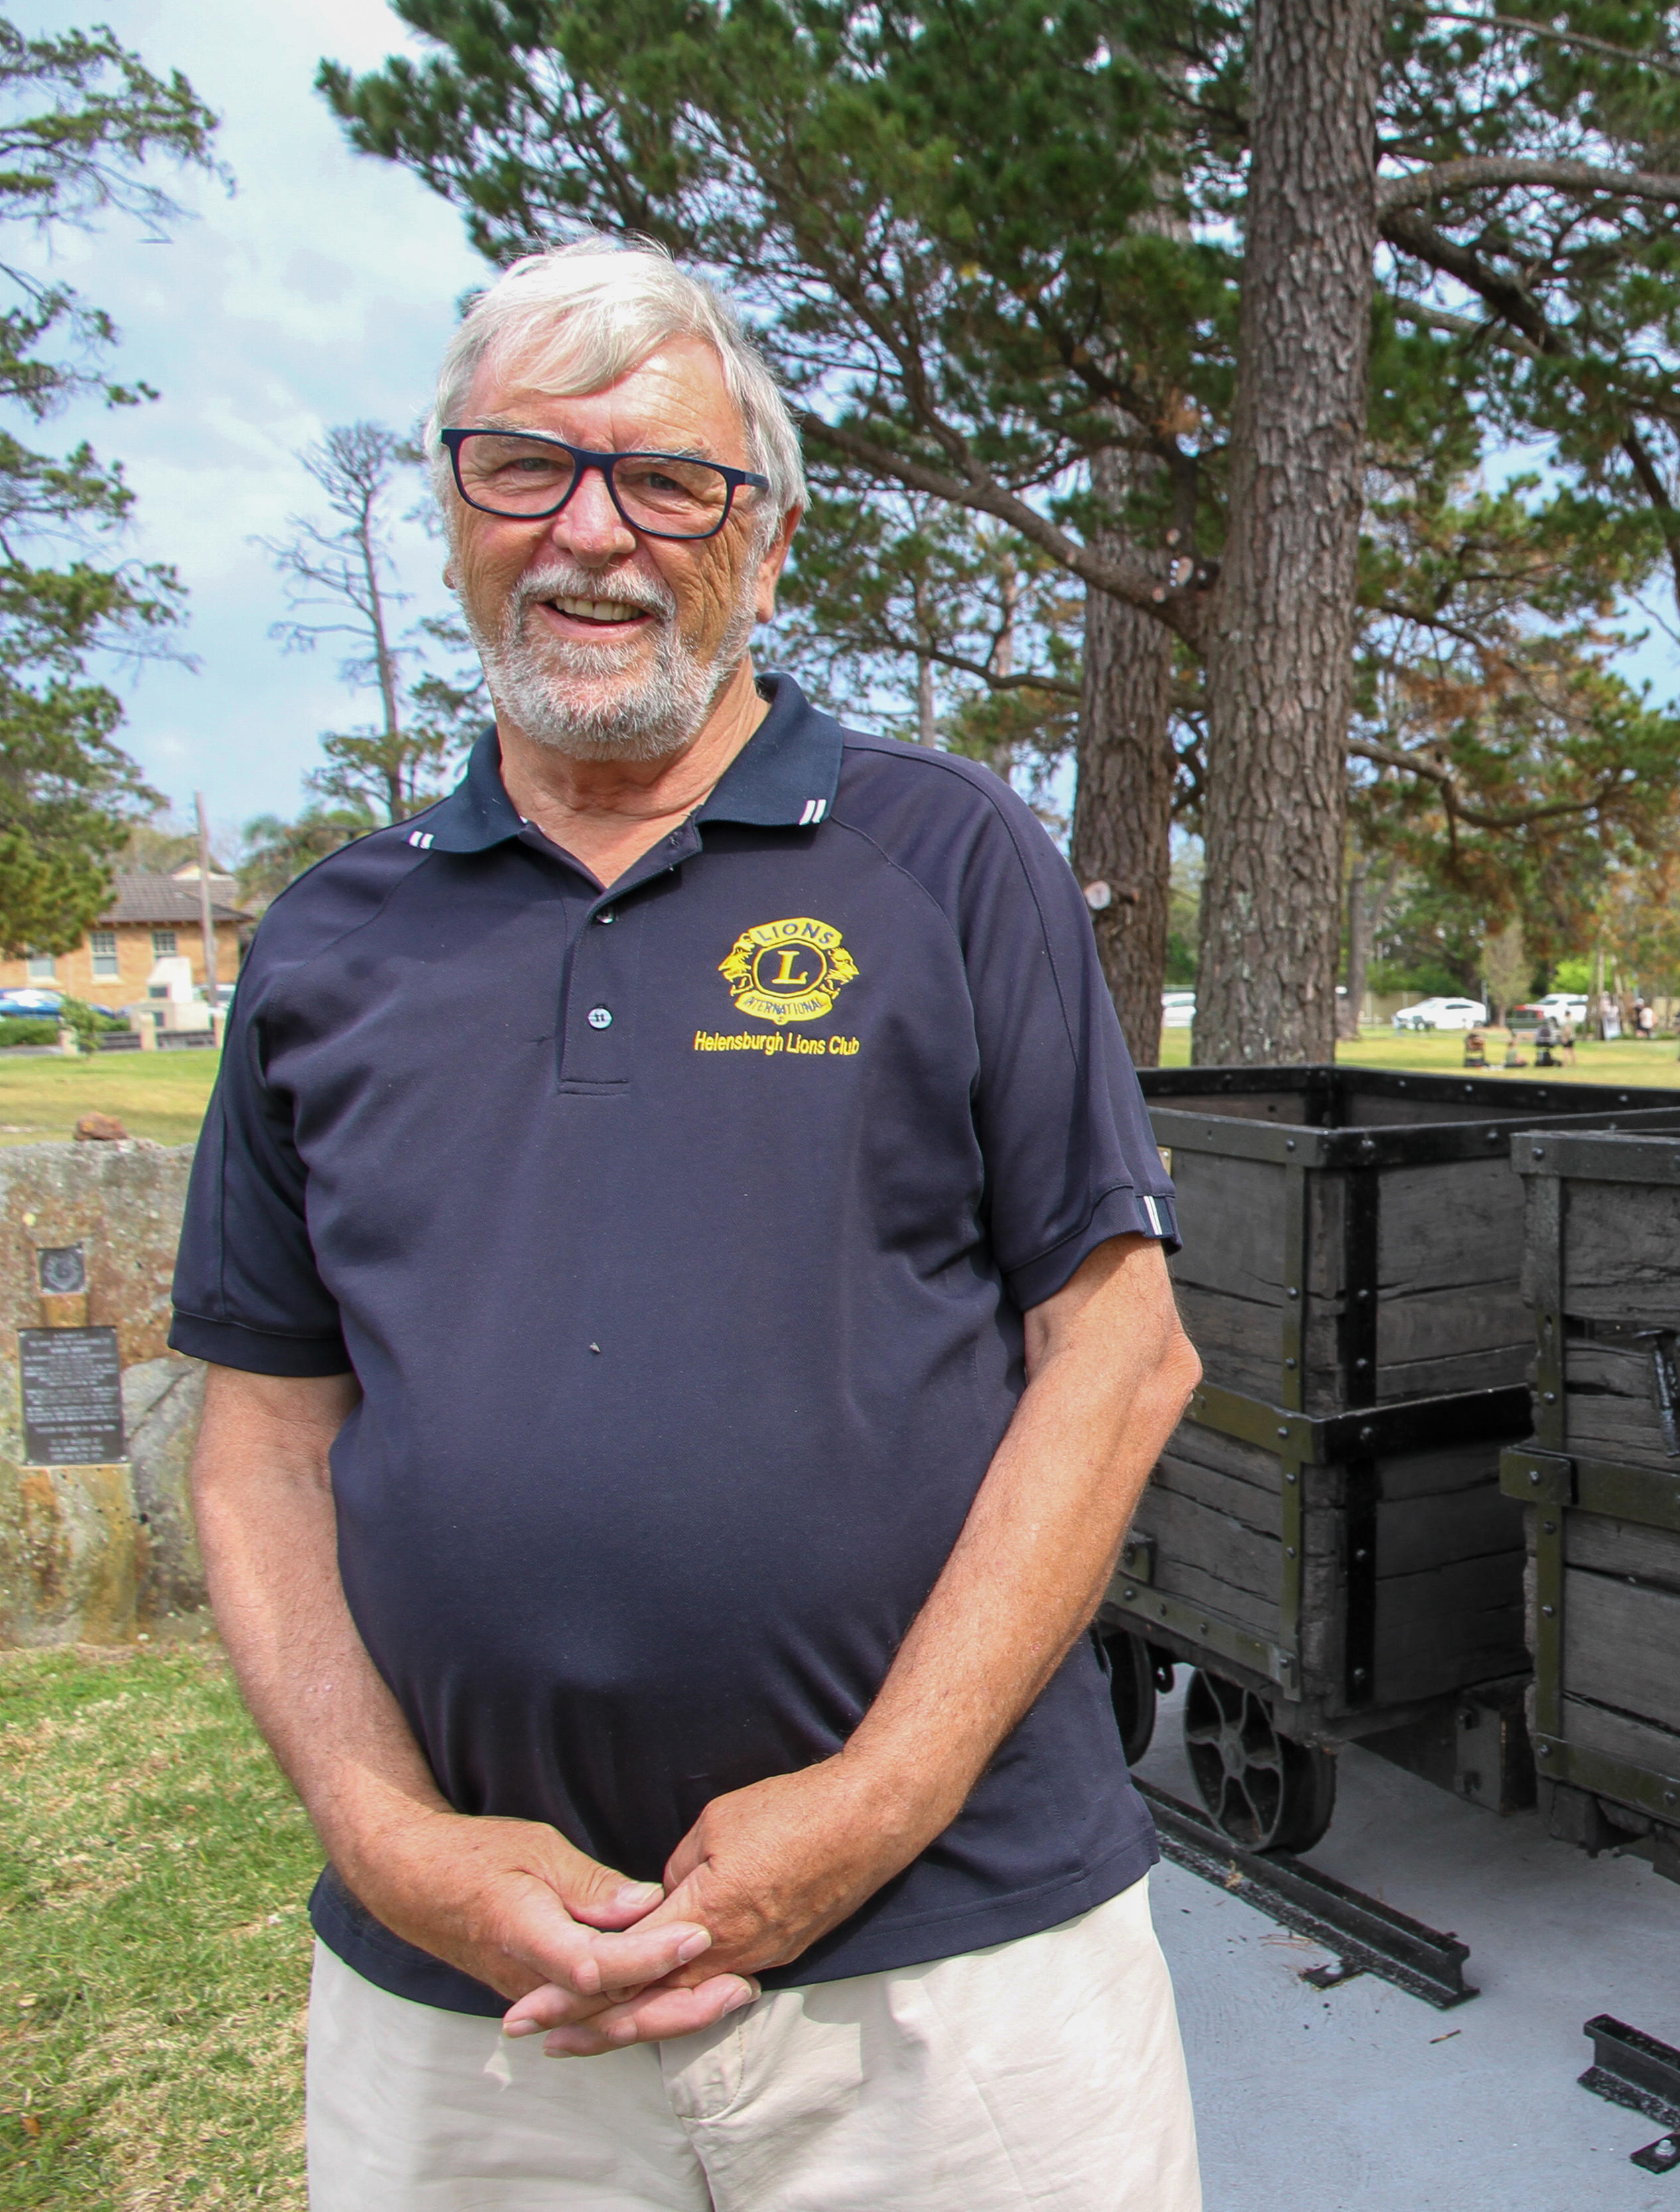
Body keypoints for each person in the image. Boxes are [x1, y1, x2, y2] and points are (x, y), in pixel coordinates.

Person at [178, 239, 1206, 2212]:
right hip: (473, 2025)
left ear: (773, 538)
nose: (593, 536)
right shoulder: (326, 940)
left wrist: (874, 1804)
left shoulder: (949, 859)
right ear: (452, 512)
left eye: (670, 480)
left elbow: (1121, 1349)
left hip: (950, 1980)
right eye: (523, 470)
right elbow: (263, 1434)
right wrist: (389, 1839)